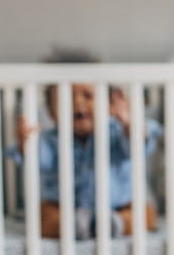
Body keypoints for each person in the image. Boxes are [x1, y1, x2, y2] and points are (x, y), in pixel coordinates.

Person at [9, 78, 162, 239]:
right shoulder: (49, 140)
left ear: (109, 106)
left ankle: (115, 224)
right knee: (41, 214)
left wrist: (131, 124)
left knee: (145, 212)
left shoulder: (118, 132)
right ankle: (72, 226)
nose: (77, 102)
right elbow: (38, 159)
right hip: (63, 208)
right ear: (51, 113)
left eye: (88, 96)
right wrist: (26, 144)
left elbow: (136, 148)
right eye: (66, 98)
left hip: (117, 206)